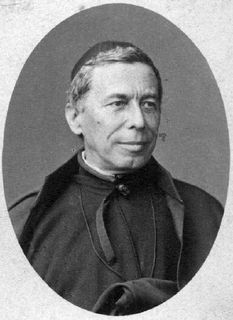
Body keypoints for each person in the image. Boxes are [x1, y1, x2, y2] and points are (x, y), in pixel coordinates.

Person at [8, 41, 223, 315]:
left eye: (148, 104)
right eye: (118, 103)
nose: (139, 121)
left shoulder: (205, 213)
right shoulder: (26, 222)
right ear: (75, 117)